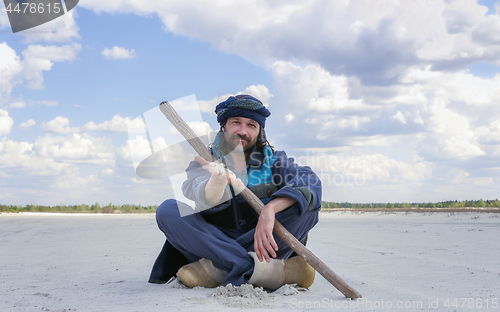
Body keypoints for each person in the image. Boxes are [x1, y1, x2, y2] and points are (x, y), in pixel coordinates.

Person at [149, 94, 322, 289]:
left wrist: (270, 209)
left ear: (260, 131)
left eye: (251, 125)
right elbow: (204, 197)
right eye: (236, 122)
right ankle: (271, 272)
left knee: (308, 207)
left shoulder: (275, 162)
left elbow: (310, 180)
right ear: (224, 127)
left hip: (262, 243)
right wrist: (217, 179)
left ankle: (216, 270)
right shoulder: (204, 163)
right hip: (213, 242)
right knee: (167, 211)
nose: (242, 131)